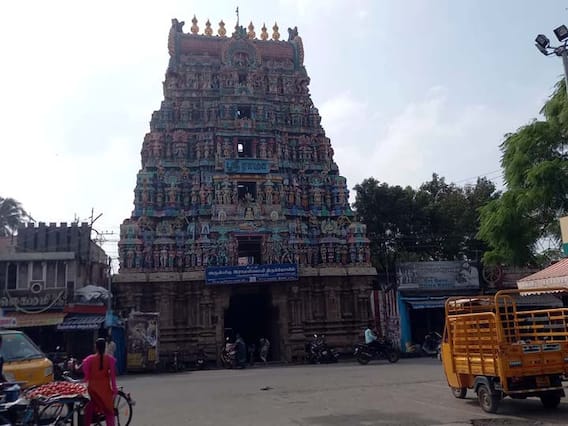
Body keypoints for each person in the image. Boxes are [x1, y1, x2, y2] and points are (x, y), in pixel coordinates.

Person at [82, 338, 118, 426]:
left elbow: (85, 373)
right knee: (109, 412)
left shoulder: (89, 359)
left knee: (89, 409)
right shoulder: (110, 359)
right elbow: (113, 376)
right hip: (105, 390)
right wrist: (114, 388)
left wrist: (86, 379)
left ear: (96, 347)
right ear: (105, 347)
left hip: (93, 389)